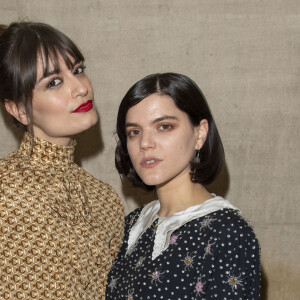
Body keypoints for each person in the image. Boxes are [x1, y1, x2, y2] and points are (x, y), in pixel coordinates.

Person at [106, 73, 260, 299]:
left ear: (200, 133)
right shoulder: (132, 224)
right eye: (134, 132)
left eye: (164, 126)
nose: (145, 143)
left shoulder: (228, 233)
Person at [0, 21, 124, 299]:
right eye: (54, 82)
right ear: (19, 108)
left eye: (78, 70)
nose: (80, 88)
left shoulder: (106, 200)